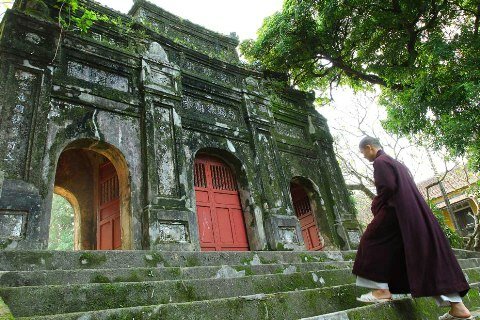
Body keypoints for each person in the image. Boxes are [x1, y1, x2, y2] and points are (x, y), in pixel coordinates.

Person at [352, 136, 473, 320]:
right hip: (414, 216)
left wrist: (377, 204)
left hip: (397, 213)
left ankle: (381, 289)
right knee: (423, 257)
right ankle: (458, 308)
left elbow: (388, 188)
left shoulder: (380, 162)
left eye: (363, 153)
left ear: (369, 148)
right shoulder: (396, 163)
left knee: (371, 240)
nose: (364, 157)